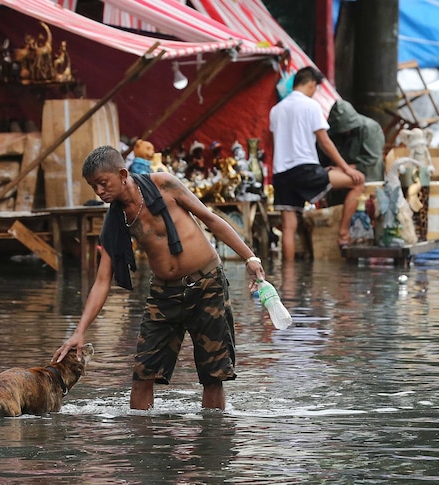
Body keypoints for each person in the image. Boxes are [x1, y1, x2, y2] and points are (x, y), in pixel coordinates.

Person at [52, 145, 265, 410]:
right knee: (143, 373)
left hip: (207, 285)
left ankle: (215, 442)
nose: (99, 192)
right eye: (94, 187)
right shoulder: (116, 220)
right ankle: (142, 446)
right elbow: (102, 280)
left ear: (122, 174)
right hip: (164, 294)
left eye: (103, 184)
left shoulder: (164, 185)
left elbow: (210, 219)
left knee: (213, 376)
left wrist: (250, 258)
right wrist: (79, 331)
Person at [269, 66, 365, 261]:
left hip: (281, 174)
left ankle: (288, 283)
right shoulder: (311, 106)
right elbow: (324, 141)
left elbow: (275, 143)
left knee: (288, 226)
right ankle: (343, 234)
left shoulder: (275, 110)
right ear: (312, 84)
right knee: (358, 181)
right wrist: (346, 168)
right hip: (305, 170)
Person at [326, 99, 385, 183]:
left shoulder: (369, 128)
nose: (344, 132)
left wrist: (342, 168)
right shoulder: (333, 132)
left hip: (369, 176)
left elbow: (370, 160)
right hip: (342, 173)